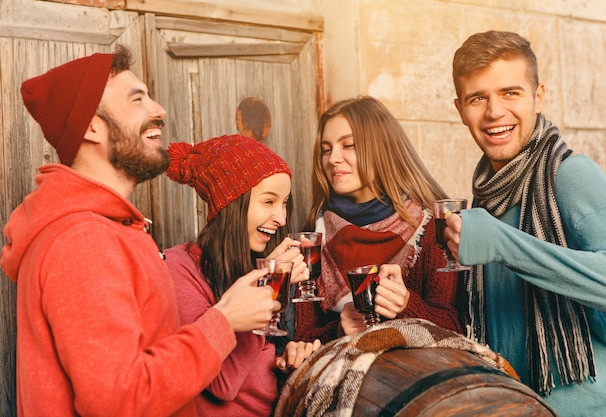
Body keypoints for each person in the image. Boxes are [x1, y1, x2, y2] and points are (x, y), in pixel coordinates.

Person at [1, 46, 280, 416]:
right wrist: (224, 320)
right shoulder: (83, 240)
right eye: (137, 99)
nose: (158, 110)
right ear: (90, 126)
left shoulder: (111, 228)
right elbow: (118, 400)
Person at [446, 30, 606, 415]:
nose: (495, 112)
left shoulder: (569, 174)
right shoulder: (487, 194)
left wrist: (502, 243)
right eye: (479, 98)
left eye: (510, 93)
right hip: (515, 405)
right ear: (460, 109)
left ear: (537, 97)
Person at [164, 134, 321, 417]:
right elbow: (224, 385)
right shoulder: (179, 269)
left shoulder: (254, 264)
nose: (282, 218)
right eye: (268, 201)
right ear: (231, 204)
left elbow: (259, 374)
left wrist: (286, 361)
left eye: (284, 203)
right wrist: (268, 285)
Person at [294, 95, 464, 344]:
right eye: (326, 149)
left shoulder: (431, 228)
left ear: (381, 147)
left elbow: (456, 330)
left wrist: (406, 305)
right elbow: (303, 338)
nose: (332, 159)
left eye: (348, 145)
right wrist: (339, 332)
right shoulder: (313, 235)